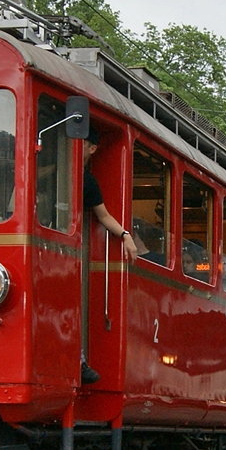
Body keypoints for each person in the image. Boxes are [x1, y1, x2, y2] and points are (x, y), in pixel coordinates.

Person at [80, 128, 138, 384]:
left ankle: (79, 360)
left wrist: (125, 235)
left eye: (80, 142)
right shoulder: (49, 167)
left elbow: (103, 215)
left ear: (92, 149)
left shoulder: (88, 181)